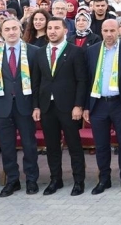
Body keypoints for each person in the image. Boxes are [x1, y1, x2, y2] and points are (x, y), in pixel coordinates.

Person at [0, 17, 43, 197]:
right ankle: (12, 180)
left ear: (20, 30)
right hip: (2, 107)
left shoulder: (33, 52)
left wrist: (36, 107)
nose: (11, 32)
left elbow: (39, 83)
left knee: (29, 145)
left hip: (25, 107)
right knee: (7, 146)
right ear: (2, 32)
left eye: (14, 29)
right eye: (7, 29)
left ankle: (32, 179)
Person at [34, 16, 90, 196]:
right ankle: (55, 179)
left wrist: (78, 105)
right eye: (49, 28)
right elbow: (36, 82)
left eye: (56, 28)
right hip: (46, 107)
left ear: (65, 30)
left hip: (68, 107)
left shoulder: (75, 51)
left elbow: (82, 81)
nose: (52, 31)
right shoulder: (40, 52)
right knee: (52, 146)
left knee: (74, 145)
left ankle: (79, 181)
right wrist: (36, 106)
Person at [83, 19, 121, 194]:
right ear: (101, 31)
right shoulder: (92, 51)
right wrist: (86, 106)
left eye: (112, 30)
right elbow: (86, 80)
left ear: (119, 31)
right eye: (105, 30)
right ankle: (104, 179)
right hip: (98, 104)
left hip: (120, 104)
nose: (109, 34)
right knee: (101, 145)